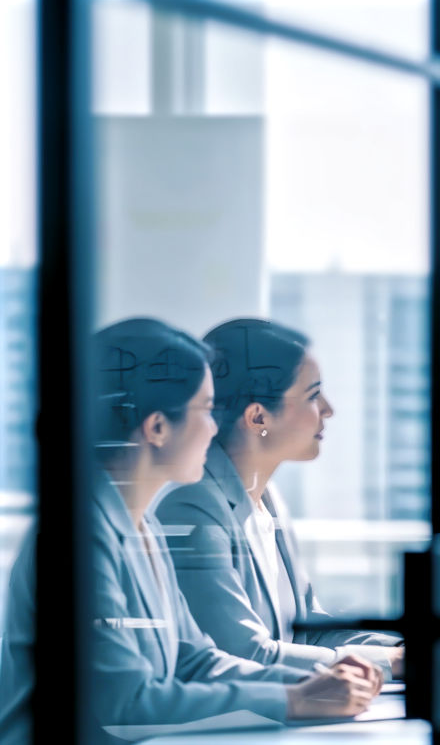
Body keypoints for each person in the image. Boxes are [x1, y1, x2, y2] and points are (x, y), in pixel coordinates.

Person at [0, 319, 378, 745]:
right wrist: (292, 701)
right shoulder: (80, 538)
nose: (216, 427)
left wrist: (304, 687)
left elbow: (195, 660)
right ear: (157, 427)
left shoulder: (142, 525)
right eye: (205, 410)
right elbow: (124, 703)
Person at [157, 319, 408, 679]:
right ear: (258, 416)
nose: (328, 409)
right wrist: (387, 665)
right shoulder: (193, 508)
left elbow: (308, 629)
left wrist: (400, 649)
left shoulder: (268, 498)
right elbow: (241, 652)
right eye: (312, 395)